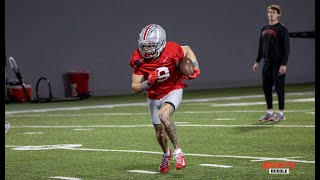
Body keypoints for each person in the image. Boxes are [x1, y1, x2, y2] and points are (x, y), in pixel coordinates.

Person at [130, 24, 200, 173]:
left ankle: (179, 153)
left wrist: (196, 67)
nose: (146, 50)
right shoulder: (138, 58)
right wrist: (148, 82)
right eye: (144, 46)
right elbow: (135, 87)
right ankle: (166, 154)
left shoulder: (172, 48)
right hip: (154, 95)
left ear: (161, 44)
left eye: (150, 46)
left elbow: (187, 49)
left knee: (164, 115)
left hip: (173, 89)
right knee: (159, 133)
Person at [253, 4, 290, 122]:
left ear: (278, 14)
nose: (271, 14)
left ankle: (281, 113)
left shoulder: (282, 29)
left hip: (278, 63)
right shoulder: (263, 28)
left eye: (274, 12)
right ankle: (269, 113)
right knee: (266, 88)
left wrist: (284, 64)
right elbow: (261, 46)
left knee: (279, 88)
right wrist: (257, 61)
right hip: (266, 63)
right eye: (269, 12)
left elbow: (286, 48)